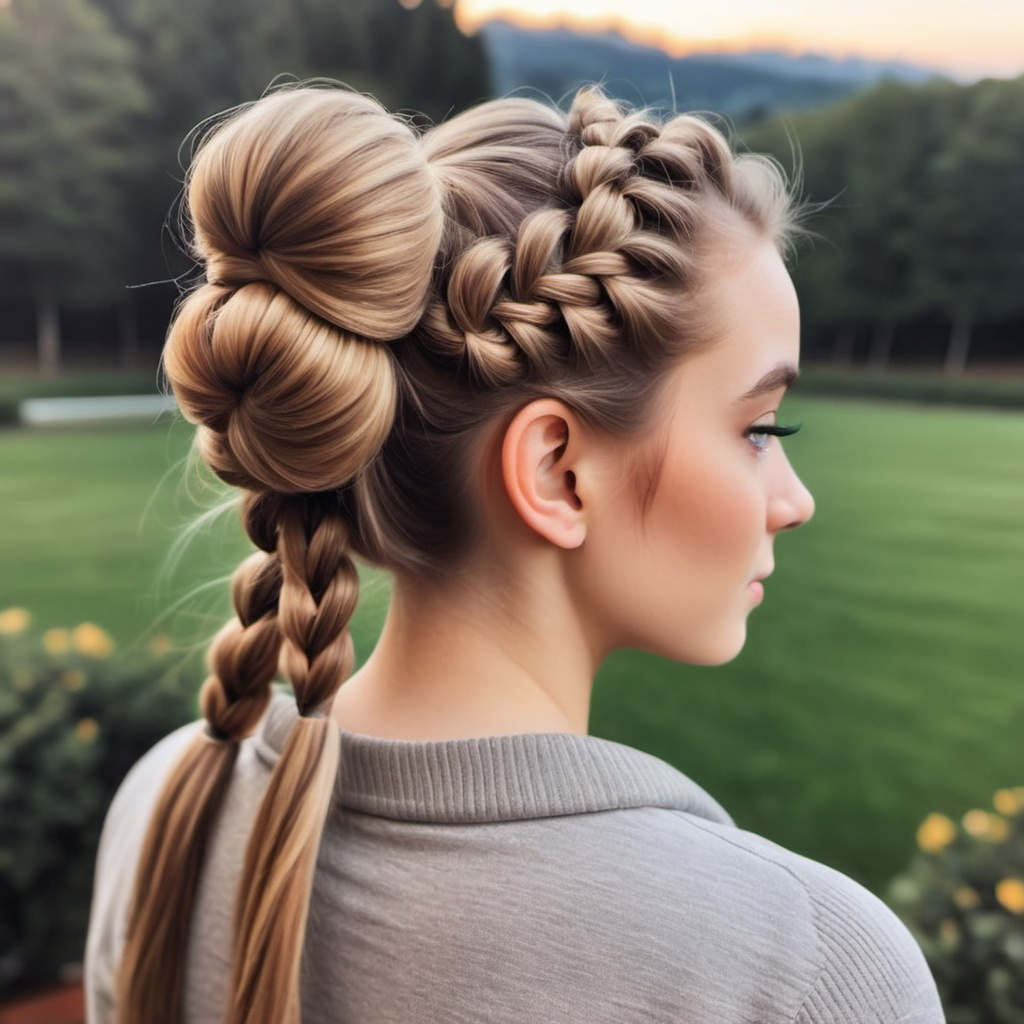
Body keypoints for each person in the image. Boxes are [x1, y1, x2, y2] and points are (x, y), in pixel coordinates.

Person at [85, 84, 944, 1024]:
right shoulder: (805, 969)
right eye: (759, 427)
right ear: (557, 470)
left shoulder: (168, 804)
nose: (795, 500)